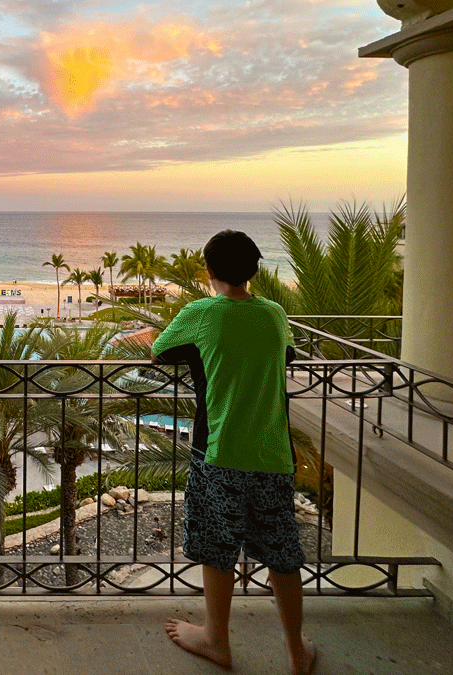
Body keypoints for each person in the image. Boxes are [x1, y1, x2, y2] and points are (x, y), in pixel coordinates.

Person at [152, 230, 315, 675]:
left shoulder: (202, 313)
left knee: (217, 548)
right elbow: (286, 355)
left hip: (218, 453)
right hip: (272, 453)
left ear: (208, 270)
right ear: (254, 270)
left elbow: (160, 350)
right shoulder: (274, 312)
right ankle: (296, 652)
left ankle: (216, 640)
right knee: (282, 553)